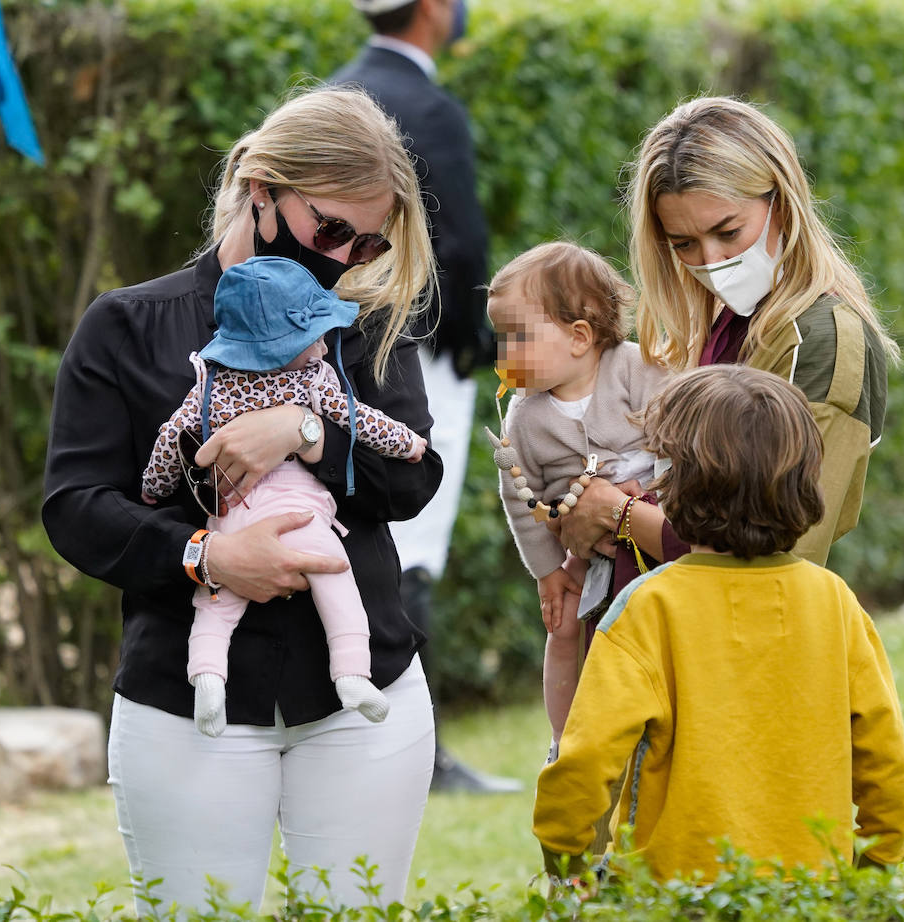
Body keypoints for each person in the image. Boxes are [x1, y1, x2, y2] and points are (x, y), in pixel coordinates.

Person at [42, 86, 444, 913]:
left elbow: (412, 480)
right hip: (187, 703)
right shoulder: (127, 325)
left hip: (363, 698)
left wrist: (302, 429)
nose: (344, 256)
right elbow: (76, 505)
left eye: (366, 242)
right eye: (329, 228)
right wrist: (207, 557)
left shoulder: (363, 320)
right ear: (260, 189)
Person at [533, 365, 904, 880]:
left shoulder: (648, 606)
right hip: (808, 896)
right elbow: (885, 761)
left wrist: (565, 865)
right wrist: (874, 874)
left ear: (678, 482)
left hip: (672, 898)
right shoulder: (835, 602)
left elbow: (585, 758)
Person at [556, 96, 901, 573]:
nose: (712, 262)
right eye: (684, 244)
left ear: (781, 201)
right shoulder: (732, 322)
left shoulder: (824, 340)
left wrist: (617, 513)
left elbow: (776, 551)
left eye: (729, 232)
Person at [331, 0, 518, 794]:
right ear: (437, 11)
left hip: (328, 356)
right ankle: (421, 752)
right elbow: (462, 243)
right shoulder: (429, 106)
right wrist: (479, 346)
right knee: (416, 541)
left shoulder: (334, 95)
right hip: (418, 356)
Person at [140, 256, 431, 737]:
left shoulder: (209, 385)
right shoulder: (314, 380)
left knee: (215, 605)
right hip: (303, 517)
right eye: (312, 337)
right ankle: (353, 672)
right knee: (337, 586)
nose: (322, 345)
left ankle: (208, 678)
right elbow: (363, 422)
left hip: (234, 514)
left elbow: (172, 438)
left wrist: (155, 486)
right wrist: (410, 443)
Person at [483, 242, 669, 762]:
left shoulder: (634, 369)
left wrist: (661, 497)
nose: (504, 356)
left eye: (517, 338)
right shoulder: (525, 416)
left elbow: (680, 440)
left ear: (579, 337)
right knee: (564, 627)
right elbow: (520, 500)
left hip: (656, 525)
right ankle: (568, 741)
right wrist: (548, 572)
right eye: (500, 339)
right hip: (588, 547)